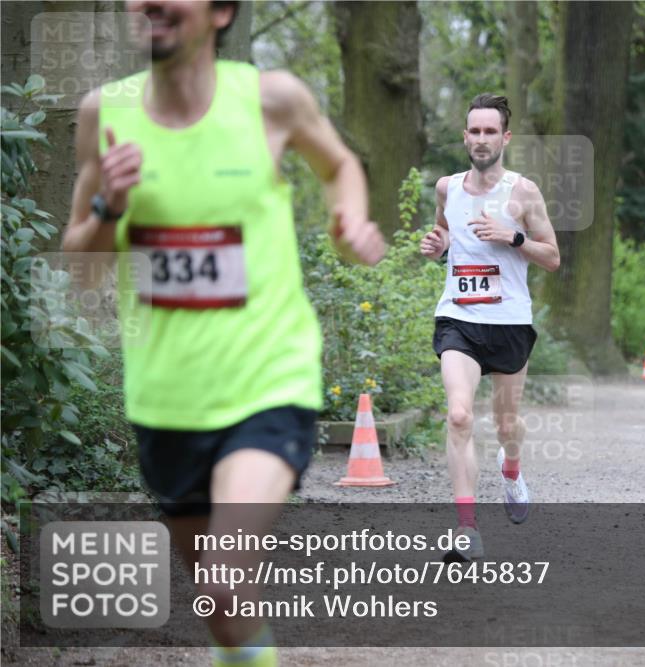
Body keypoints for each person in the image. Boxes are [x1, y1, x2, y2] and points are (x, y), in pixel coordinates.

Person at [60, 2, 385, 664]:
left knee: (224, 577)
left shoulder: (272, 100)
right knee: (225, 615)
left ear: (220, 12)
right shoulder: (104, 114)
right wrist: (107, 209)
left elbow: (339, 165)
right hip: (164, 401)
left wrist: (349, 221)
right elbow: (82, 273)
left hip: (268, 381)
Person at [419, 94, 560, 561]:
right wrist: (436, 244)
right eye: (473, 132)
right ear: (465, 137)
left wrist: (513, 237)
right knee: (459, 415)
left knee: (505, 423)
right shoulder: (447, 188)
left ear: (505, 137)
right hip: (458, 316)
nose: (481, 140)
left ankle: (512, 470)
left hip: (509, 321)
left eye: (489, 132)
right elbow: (444, 235)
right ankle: (466, 530)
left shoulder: (523, 192)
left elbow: (553, 257)